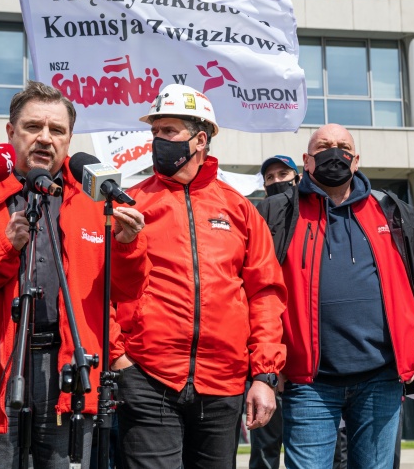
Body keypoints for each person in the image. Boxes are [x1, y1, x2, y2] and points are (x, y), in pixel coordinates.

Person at [0, 81, 139, 469]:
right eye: (33, 127)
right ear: (10, 132)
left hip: (69, 372)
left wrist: (128, 246)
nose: (45, 139)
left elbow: (126, 292)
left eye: (58, 130)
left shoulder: (95, 200)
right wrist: (1, 247)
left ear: (70, 139)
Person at [256, 123, 414, 469]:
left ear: (355, 160)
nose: (334, 152)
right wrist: (269, 365)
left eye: (342, 146)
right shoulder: (277, 212)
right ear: (306, 161)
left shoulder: (391, 210)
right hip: (307, 382)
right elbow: (256, 290)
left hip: (380, 378)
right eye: (324, 146)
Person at [109, 84, 287, 469]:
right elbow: (101, 287)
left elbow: (265, 294)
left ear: (200, 139)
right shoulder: (130, 203)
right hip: (147, 379)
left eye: (169, 131)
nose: (159, 141)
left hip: (223, 385)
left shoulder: (239, 208)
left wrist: (265, 375)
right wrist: (118, 358)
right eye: (155, 132)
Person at [247, 154, 299, 469]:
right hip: (268, 358)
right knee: (266, 447)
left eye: (283, 174)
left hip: (310, 363)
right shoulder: (259, 219)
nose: (277, 181)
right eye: (270, 177)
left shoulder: (312, 220)